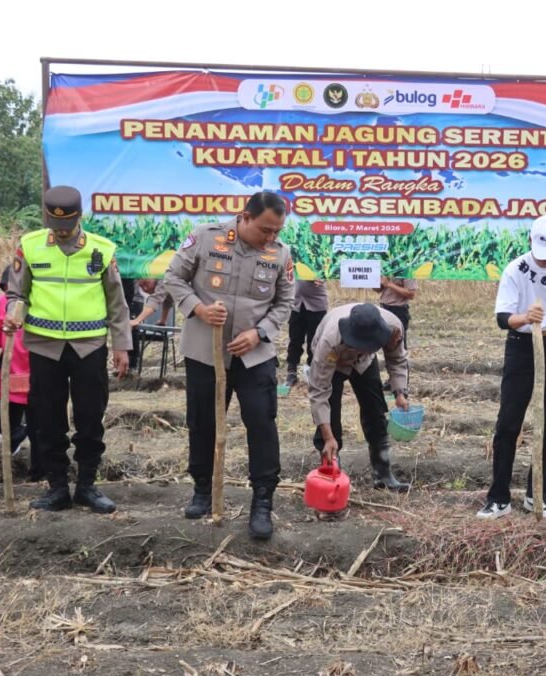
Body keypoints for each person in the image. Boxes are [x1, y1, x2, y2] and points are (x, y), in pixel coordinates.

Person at [164, 190, 295, 539]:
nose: (271, 237)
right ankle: (203, 489)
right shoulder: (206, 238)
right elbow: (173, 278)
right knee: (202, 422)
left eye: (277, 231)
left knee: (261, 422)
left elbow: (285, 303)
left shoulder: (281, 253)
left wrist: (259, 333)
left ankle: (262, 500)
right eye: (265, 229)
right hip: (205, 352)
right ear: (245, 217)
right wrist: (199, 309)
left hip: (254, 356)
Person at [4, 185, 132, 513]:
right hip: (44, 347)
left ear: (79, 217)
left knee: (90, 417)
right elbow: (18, 293)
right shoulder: (29, 246)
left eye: (67, 224)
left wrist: (121, 345)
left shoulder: (102, 249)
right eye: (55, 224)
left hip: (89, 347)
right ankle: (57, 487)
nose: (61, 230)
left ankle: (87, 485)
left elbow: (117, 304)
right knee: (48, 419)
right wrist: (14, 313)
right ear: (47, 217)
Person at [477, 216, 546, 520]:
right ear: (530, 241)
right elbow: (502, 318)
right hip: (521, 344)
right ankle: (498, 498)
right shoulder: (516, 269)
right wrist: (525, 317)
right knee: (508, 422)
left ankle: (538, 493)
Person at [307, 302, 411, 492]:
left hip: (364, 362)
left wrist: (400, 392)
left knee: (375, 409)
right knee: (331, 413)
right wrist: (328, 437)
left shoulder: (393, 327)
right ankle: (332, 472)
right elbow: (319, 391)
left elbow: (397, 359)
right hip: (334, 360)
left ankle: (383, 474)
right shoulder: (330, 340)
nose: (364, 348)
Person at [0, 267, 33, 466]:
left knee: (2, 428)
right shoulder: (4, 304)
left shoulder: (3, 303)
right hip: (21, 378)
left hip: (15, 379)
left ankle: (19, 440)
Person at [286, 279, 328, 386]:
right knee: (295, 339)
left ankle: (312, 371)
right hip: (297, 304)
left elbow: (329, 272)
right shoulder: (293, 266)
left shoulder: (321, 266)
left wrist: (323, 277)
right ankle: (291, 371)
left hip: (317, 304)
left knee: (314, 342)